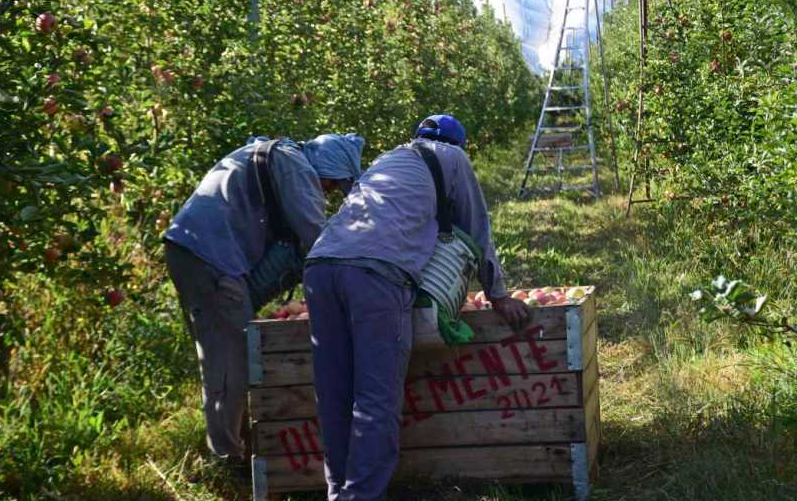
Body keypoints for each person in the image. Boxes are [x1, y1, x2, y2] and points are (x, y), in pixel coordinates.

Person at [304, 115, 527, 500]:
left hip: (320, 268)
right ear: (458, 144)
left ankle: (338, 492)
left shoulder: (388, 160)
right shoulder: (453, 158)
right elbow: (476, 227)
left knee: (335, 394)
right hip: (375, 275)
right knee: (376, 398)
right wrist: (498, 293)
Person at [163, 133, 364, 465]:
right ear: (326, 168)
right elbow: (317, 240)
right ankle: (226, 458)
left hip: (200, 251)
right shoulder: (297, 169)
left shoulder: (281, 154)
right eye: (332, 183)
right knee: (231, 356)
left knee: (229, 351)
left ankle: (237, 445)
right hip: (210, 258)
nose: (328, 191)